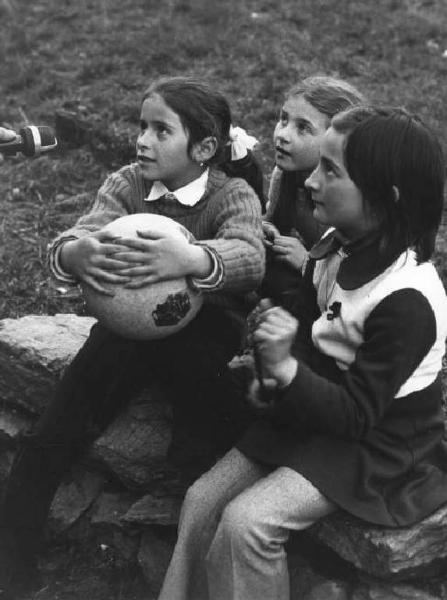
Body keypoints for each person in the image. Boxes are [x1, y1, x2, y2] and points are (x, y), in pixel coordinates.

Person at [158, 106, 447, 600]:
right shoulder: (337, 246)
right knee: (202, 501)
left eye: (331, 170)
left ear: (387, 198)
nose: (311, 180)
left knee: (249, 524)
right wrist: (274, 346)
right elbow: (309, 320)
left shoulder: (407, 301)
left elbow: (358, 415)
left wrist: (288, 369)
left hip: (376, 441)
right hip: (315, 410)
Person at [0, 76, 265, 598]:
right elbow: (84, 230)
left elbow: (250, 256)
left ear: (205, 148)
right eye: (142, 126)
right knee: (55, 431)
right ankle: (10, 565)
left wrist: (193, 257)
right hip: (123, 334)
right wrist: (75, 253)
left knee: (206, 416)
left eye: (160, 130)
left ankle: (195, 552)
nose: (142, 140)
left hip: (205, 333)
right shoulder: (127, 184)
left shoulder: (232, 194)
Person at [261, 75, 366, 308]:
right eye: (284, 119)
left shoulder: (349, 195)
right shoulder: (286, 174)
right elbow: (276, 222)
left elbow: (359, 267)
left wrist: (307, 262)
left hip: (345, 287)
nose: (282, 134)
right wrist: (266, 230)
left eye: (303, 128)